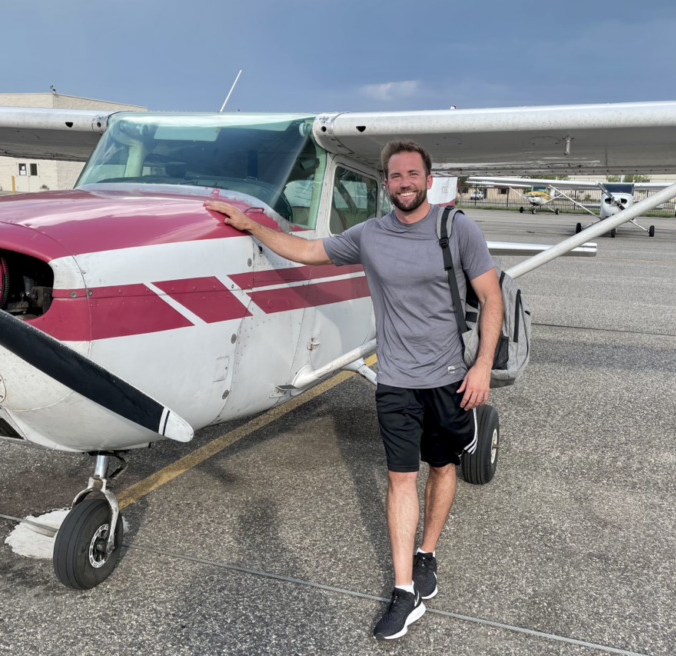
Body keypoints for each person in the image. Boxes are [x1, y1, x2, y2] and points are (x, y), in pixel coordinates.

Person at [204, 141, 503, 640]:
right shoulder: (369, 234)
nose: (404, 182)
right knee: (400, 479)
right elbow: (306, 251)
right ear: (385, 183)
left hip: (450, 376)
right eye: (395, 176)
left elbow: (491, 297)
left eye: (412, 174)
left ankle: (427, 553)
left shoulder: (458, 229)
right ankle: (405, 591)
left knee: (443, 467)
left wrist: (483, 367)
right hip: (395, 381)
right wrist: (254, 226)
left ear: (429, 180)